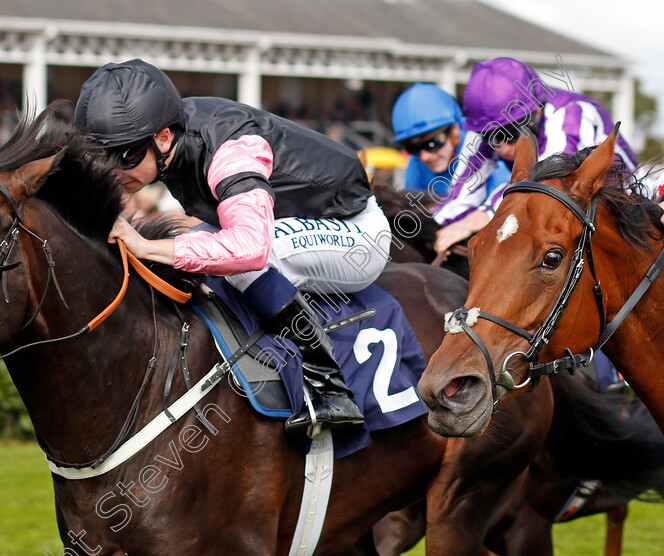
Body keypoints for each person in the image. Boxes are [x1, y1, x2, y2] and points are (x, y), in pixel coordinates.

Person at [74, 59, 392, 435]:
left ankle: (330, 387)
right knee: (193, 246)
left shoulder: (230, 152)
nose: (113, 171)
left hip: (357, 232)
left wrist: (145, 246)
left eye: (125, 155)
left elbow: (250, 247)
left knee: (242, 257)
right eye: (102, 156)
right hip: (300, 224)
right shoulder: (172, 141)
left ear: (161, 138)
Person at [436, 57, 639, 253]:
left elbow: (542, 183)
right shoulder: (490, 123)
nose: (503, 149)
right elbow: (459, 195)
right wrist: (432, 229)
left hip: (628, 215)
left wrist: (478, 217)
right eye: (491, 137)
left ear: (538, 113)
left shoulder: (572, 114)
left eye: (513, 134)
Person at [391, 83, 511, 254]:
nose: (425, 156)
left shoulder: (485, 150)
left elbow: (506, 209)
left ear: (455, 131)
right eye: (413, 148)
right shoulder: (416, 163)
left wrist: (463, 226)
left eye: (432, 143)